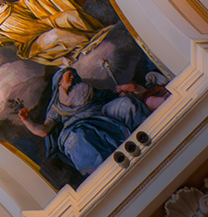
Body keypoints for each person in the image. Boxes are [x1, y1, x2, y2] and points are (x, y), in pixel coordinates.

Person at [15, 66, 151, 174]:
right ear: (60, 82)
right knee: (76, 139)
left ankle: (149, 132)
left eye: (73, 74)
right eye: (69, 75)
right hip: (78, 126)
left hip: (101, 113)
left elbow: (104, 95)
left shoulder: (84, 89)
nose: (73, 77)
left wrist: (120, 92)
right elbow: (43, 131)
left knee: (125, 105)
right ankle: (106, 171)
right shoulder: (56, 108)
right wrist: (27, 120)